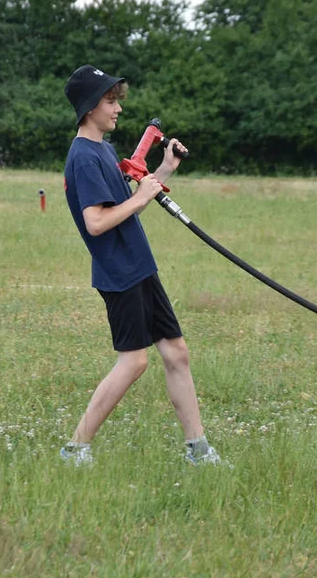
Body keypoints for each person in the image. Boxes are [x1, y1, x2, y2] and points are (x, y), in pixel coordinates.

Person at [60, 64, 221, 467]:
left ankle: (198, 451)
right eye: (110, 102)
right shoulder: (82, 157)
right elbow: (96, 222)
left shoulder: (103, 150)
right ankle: (75, 448)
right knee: (134, 362)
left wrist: (163, 171)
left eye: (117, 101)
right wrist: (143, 196)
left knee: (176, 353)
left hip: (139, 264)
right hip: (119, 273)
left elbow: (123, 209)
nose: (117, 109)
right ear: (88, 107)